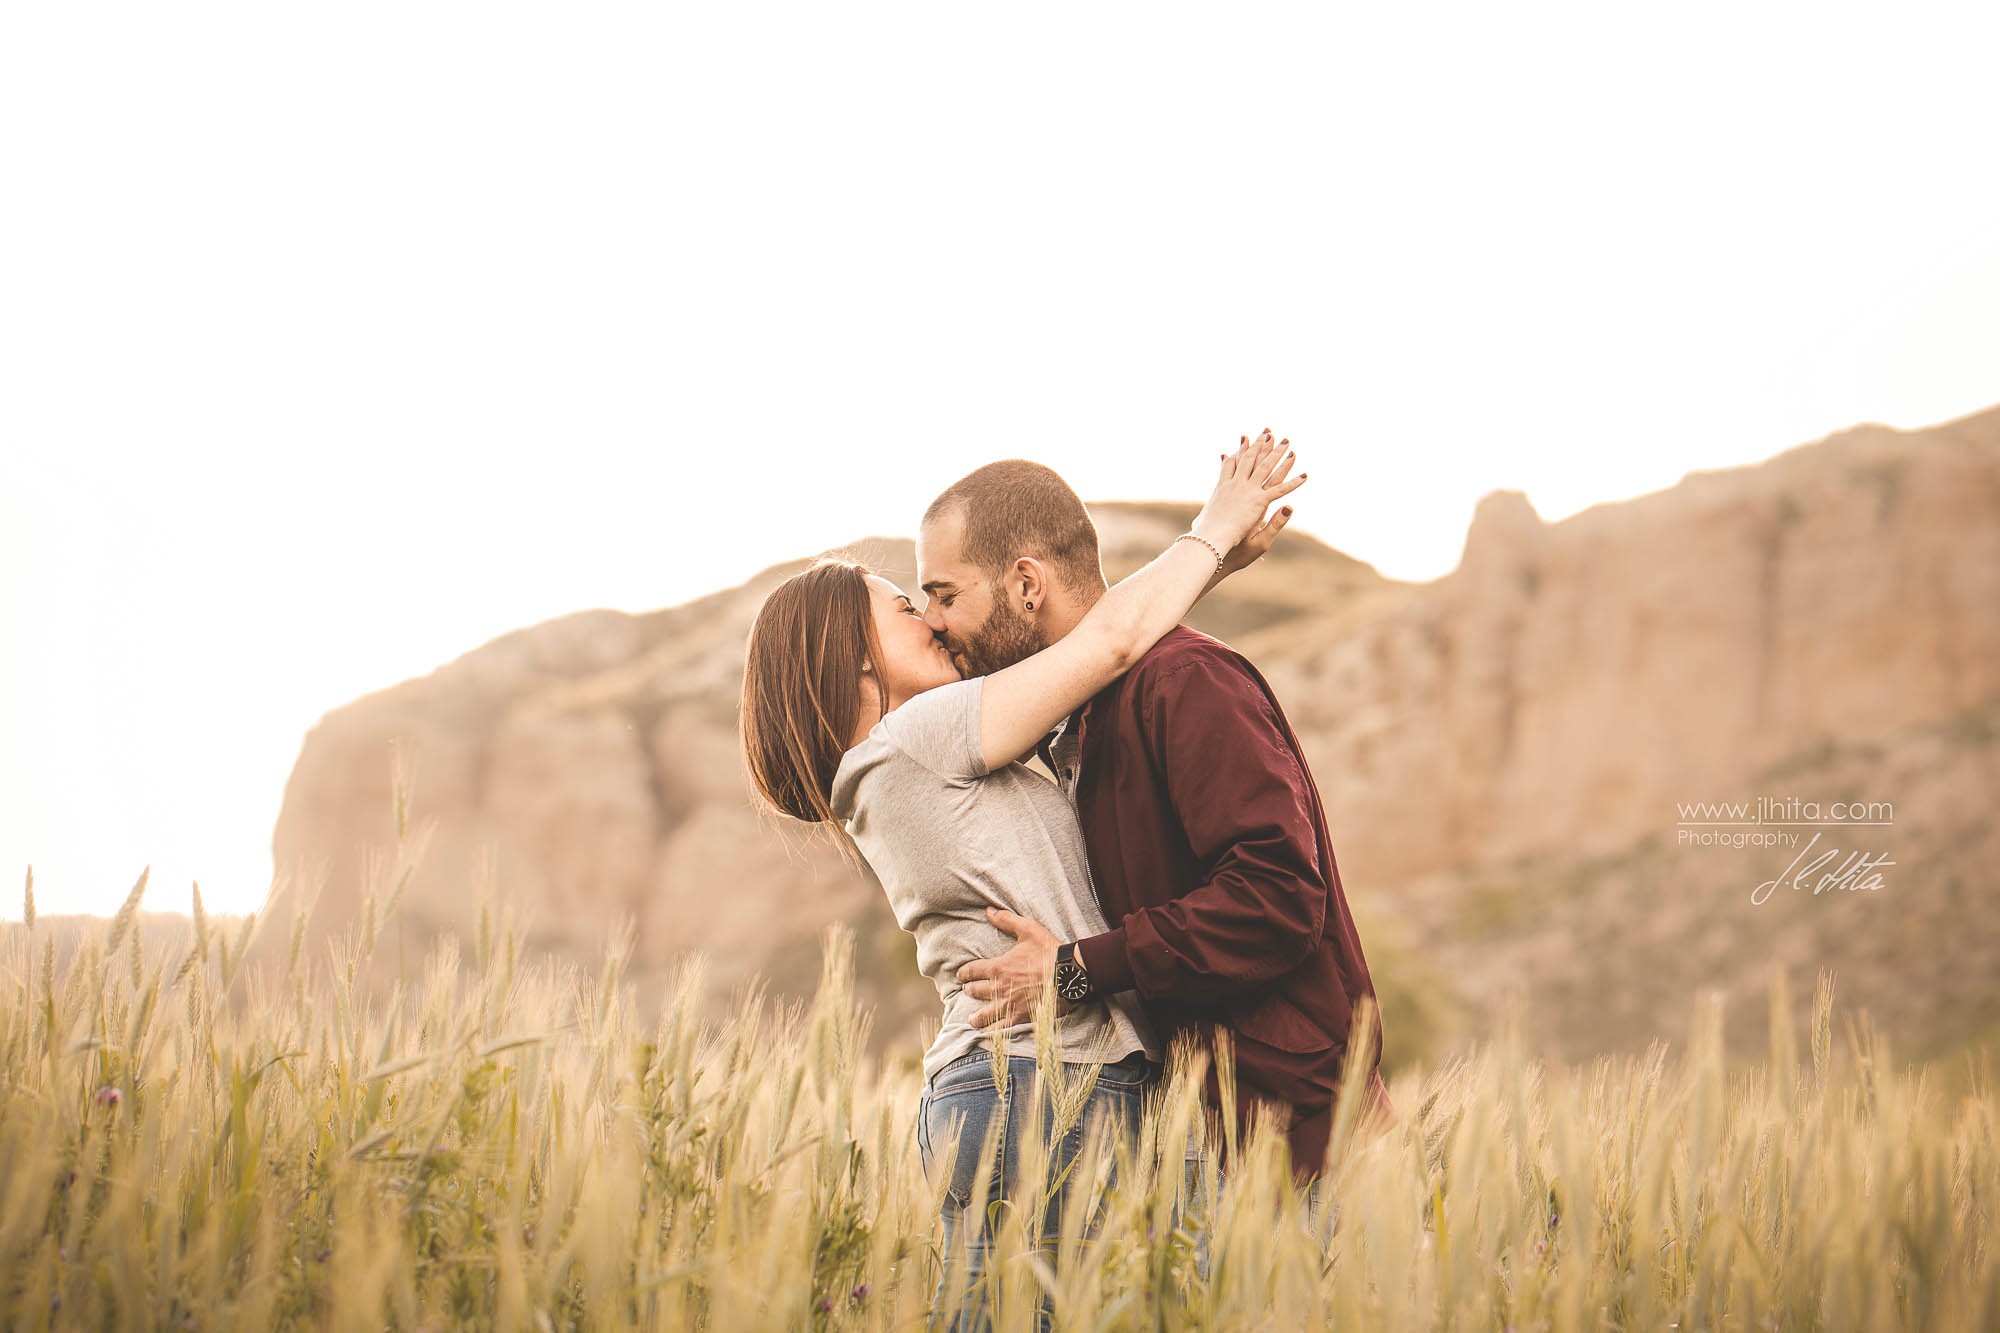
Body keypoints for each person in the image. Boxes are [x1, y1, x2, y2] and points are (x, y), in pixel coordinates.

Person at [738, 431, 1304, 1330]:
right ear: (855, 660)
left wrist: (1213, 573)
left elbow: (1077, 658)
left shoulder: (904, 762)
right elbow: (1112, 644)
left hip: (1015, 1095)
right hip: (1051, 1089)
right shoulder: (919, 738)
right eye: (904, 608)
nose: (930, 620)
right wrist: (1211, 528)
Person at [930, 444, 1396, 1233]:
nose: (936, 623)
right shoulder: (1077, 725)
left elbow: (1277, 896)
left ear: (1025, 584)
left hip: (1304, 1152)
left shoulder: (1184, 683)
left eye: (944, 594)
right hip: (1212, 1161)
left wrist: (1075, 971)